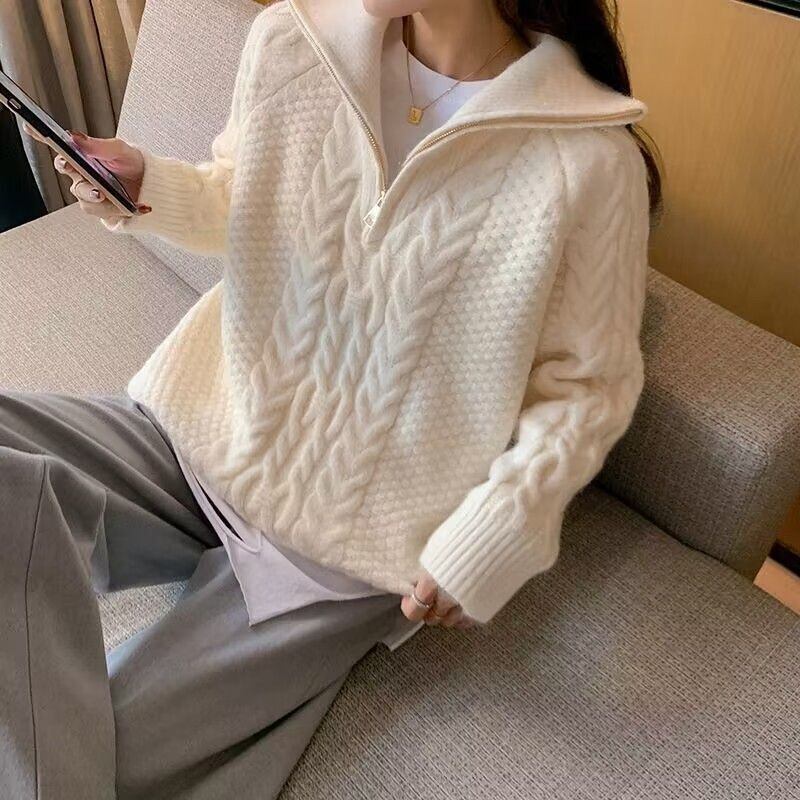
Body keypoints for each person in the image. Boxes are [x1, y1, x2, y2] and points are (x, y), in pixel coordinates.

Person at [7, 0, 663, 797]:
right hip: (205, 434)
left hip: (341, 550)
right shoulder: (293, 42)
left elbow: (587, 390)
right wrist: (151, 187)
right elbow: (240, 196)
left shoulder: (590, 162)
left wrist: (493, 536)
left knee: (92, 756)